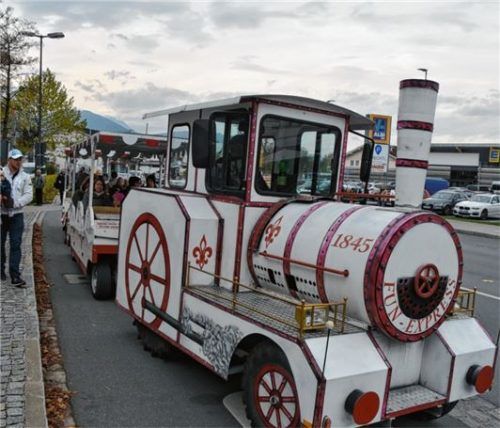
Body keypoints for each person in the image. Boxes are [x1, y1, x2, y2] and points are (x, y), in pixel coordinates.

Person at [1, 149, 33, 287]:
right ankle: (0, 270)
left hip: (16, 215)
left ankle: (15, 275)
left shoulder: (25, 176)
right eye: (15, 159)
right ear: (9, 160)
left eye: (20, 159)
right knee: (0, 244)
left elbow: (29, 195)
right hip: (1, 214)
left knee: (15, 244)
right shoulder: (1, 173)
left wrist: (15, 203)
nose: (18, 162)